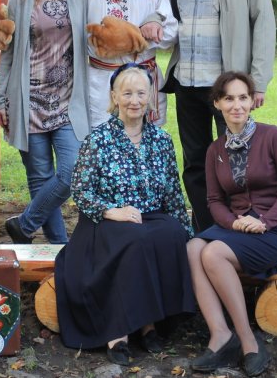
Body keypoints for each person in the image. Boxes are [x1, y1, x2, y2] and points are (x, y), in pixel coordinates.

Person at [54, 64, 195, 366]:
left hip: (149, 217)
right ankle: (120, 332)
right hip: (106, 219)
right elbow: (81, 190)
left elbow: (172, 192)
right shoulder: (98, 139)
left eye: (141, 93)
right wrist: (112, 211)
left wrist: (188, 234)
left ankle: (149, 322)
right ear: (114, 97)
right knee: (134, 240)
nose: (134, 100)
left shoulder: (162, 140)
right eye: (127, 93)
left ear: (150, 97)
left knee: (171, 232)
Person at [162, 0, 276, 233]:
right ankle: (206, 230)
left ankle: (238, 229)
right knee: (195, 163)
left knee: (237, 163)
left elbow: (264, 24)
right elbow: (163, 15)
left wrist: (258, 81)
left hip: (230, 88)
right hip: (187, 82)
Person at [187, 71, 277, 376]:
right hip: (239, 227)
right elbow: (214, 200)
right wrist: (234, 223)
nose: (236, 105)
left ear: (252, 102)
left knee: (212, 253)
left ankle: (249, 341)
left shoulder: (272, 136)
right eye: (229, 98)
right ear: (217, 103)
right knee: (193, 246)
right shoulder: (215, 150)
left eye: (242, 98)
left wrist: (265, 221)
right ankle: (221, 336)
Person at [0, 0, 90, 245]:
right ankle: (59, 249)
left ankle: (24, 224)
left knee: (71, 172)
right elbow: (8, 52)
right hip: (28, 101)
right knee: (39, 179)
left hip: (68, 102)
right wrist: (0, 98)